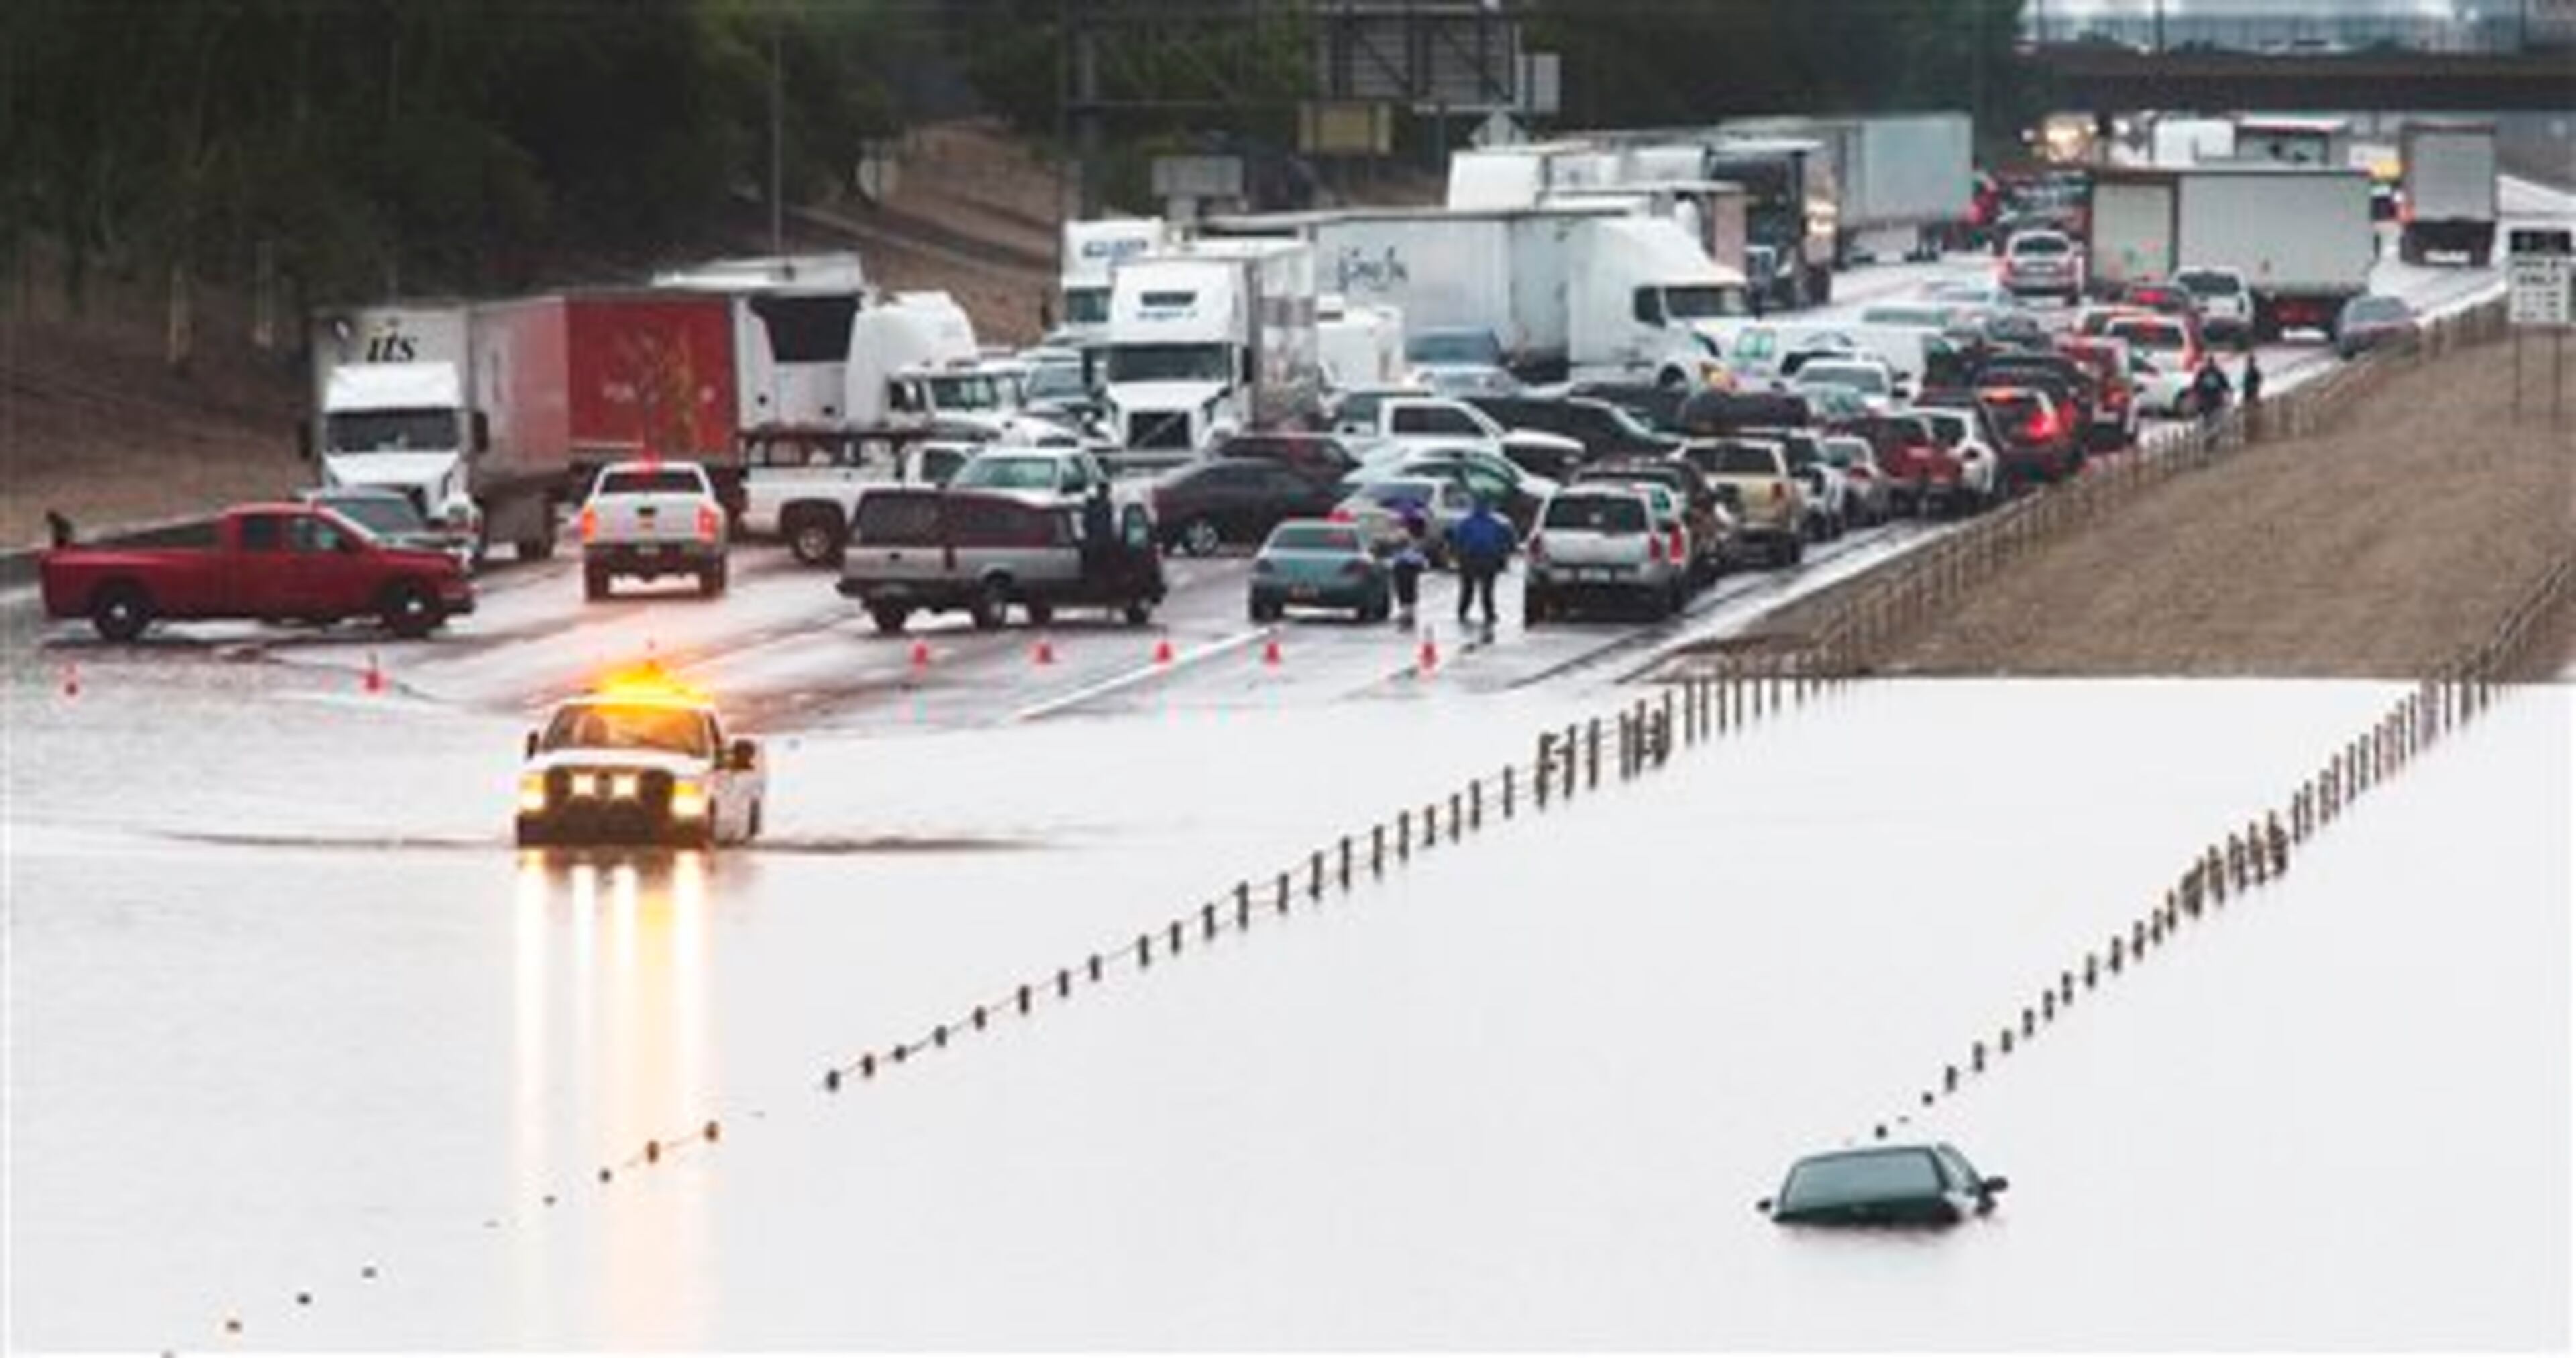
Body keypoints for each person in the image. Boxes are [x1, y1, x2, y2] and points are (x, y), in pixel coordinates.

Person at [1448, 496, 1515, 636]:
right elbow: (1508, 539)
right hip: (1489, 559)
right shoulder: (1496, 523)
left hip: (1468, 559)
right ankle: (1489, 614)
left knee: (1467, 588)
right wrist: (1504, 554)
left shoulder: (1465, 523)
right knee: (1487, 590)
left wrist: (1456, 555)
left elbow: (1457, 540)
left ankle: (1462, 612)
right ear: (1489, 508)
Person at [1389, 504, 1430, 628]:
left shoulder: (1404, 532)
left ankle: (1406, 612)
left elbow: (1395, 543)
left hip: (1403, 562)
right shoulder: (1420, 529)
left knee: (1403, 588)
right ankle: (1410, 611)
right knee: (1411, 587)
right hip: (1415, 563)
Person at [1078, 481, 1114, 582]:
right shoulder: (1101, 505)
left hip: (1099, 539)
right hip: (1099, 539)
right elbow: (1087, 522)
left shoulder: (1103, 504)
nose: (1106, 493)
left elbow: (1086, 523)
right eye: (1104, 491)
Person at [2191, 355, 2231, 429]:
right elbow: (2226, 385)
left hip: (2211, 399)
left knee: (2211, 417)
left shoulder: (2206, 372)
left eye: (2209, 363)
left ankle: (2209, 429)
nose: (2209, 365)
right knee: (2211, 418)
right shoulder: (2211, 372)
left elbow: (2196, 385)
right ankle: (2209, 429)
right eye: (2209, 363)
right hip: (2210, 399)